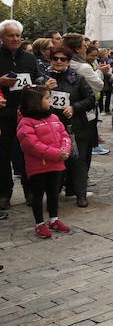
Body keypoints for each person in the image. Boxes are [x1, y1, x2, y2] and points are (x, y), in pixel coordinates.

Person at [17, 85, 72, 238]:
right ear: (36, 102)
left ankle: (54, 219)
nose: (50, 101)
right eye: (47, 98)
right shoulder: (26, 122)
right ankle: (39, 223)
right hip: (38, 167)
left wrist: (65, 151)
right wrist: (56, 154)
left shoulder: (54, 118)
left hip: (56, 164)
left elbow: (64, 136)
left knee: (53, 193)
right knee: (38, 194)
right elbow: (32, 145)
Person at [43, 45, 94, 207]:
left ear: (68, 61)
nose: (58, 62)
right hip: (51, 128)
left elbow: (90, 99)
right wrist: (43, 90)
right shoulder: (43, 78)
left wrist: (74, 107)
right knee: (55, 162)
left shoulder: (78, 78)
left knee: (78, 161)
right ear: (50, 60)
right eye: (55, 58)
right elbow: (32, 101)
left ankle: (80, 194)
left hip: (75, 127)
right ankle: (54, 193)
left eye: (62, 59)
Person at [0, 19, 40, 211]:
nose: (15, 39)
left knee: (27, 153)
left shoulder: (29, 58)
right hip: (2, 115)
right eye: (10, 35)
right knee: (2, 155)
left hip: (26, 115)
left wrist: (43, 82)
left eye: (17, 35)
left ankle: (30, 190)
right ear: (2, 38)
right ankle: (4, 194)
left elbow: (38, 76)